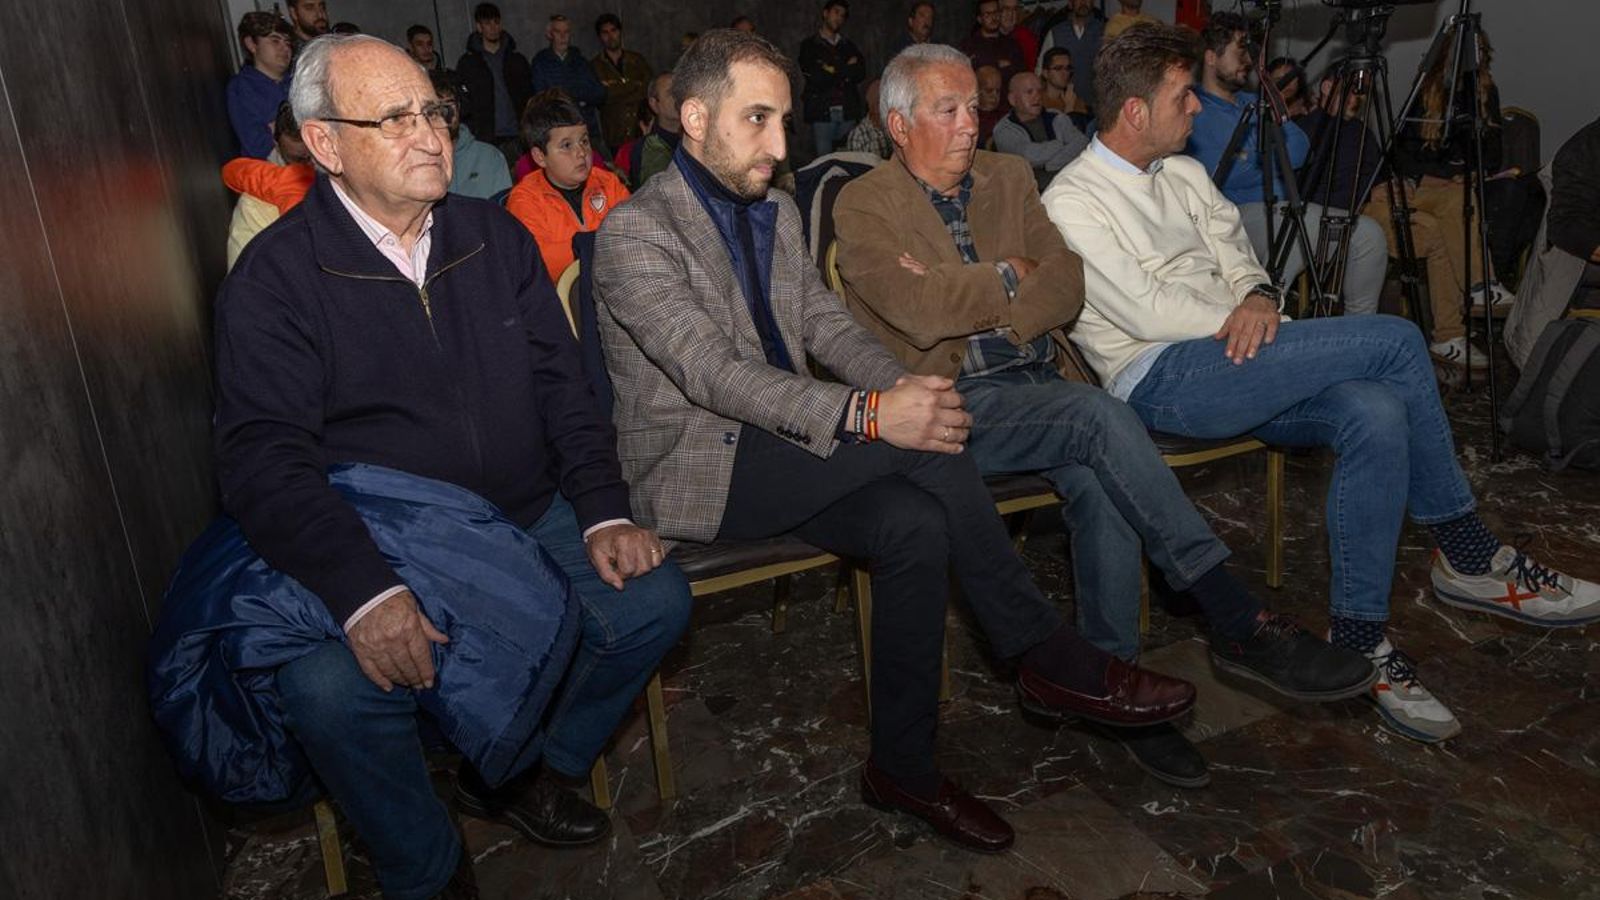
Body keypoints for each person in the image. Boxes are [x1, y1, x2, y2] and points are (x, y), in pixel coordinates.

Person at [594, 28, 1197, 851]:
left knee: (914, 524)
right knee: (920, 445)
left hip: (792, 449)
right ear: (693, 118)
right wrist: (874, 417)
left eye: (785, 120)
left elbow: (822, 321)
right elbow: (711, 376)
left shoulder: (771, 208)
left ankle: (902, 769)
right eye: (758, 120)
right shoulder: (637, 231)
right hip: (704, 463)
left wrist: (897, 386)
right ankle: (1039, 650)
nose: (781, 145)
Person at [214, 34, 691, 898]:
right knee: (328, 691)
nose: (431, 135)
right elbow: (263, 460)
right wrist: (362, 590)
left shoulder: (491, 236)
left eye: (433, 110)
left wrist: (602, 509)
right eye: (394, 119)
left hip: (520, 508)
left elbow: (564, 390)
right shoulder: (275, 278)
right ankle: (424, 864)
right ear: (324, 144)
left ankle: (518, 770)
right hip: (381, 541)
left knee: (654, 602)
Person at [834, 43, 1375, 787]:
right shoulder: (864, 203)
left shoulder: (1010, 175)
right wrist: (1005, 276)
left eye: (972, 106)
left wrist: (987, 289)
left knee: (1099, 477)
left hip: (1040, 388)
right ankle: (1234, 618)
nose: (970, 123)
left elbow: (1067, 288)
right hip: (951, 410)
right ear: (898, 124)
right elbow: (920, 315)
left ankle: (1115, 689)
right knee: (1097, 421)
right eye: (948, 110)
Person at [1044, 23, 1600, 746]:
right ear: (1135, 112)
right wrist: (1245, 315)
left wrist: (1261, 297)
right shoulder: (1072, 198)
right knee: (1399, 341)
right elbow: (1147, 311)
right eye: (1184, 97)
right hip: (1161, 378)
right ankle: (1467, 553)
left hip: (1236, 357)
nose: (1196, 111)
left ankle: (1363, 636)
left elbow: (1241, 257)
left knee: (1373, 410)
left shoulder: (1182, 173)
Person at [1185, 12, 1387, 317]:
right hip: (1234, 214)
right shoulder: (1194, 109)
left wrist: (1250, 155)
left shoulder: (1258, 101)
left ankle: (1359, 329)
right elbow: (1225, 175)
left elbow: (1299, 149)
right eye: (1240, 51)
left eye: (1251, 52)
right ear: (1211, 58)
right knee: (1290, 237)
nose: (1249, 61)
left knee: (1368, 234)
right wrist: (1266, 154)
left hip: (1286, 209)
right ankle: (1263, 323)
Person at [1297, 70, 1482, 367]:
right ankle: (1451, 328)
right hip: (1343, 215)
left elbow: (1382, 175)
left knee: (1448, 210)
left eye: (1363, 92)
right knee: (1426, 227)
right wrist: (1372, 195)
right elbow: (1303, 191)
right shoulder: (1307, 130)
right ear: (1328, 86)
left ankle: (1464, 311)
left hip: (1381, 207)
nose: (1358, 98)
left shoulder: (1362, 132)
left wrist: (1400, 186)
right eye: (1354, 90)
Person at [1393, 24, 1518, 311]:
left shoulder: (1486, 92)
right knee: (1456, 203)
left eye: (1482, 52)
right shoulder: (1427, 89)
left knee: (1500, 197)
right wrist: (1442, 178)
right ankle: (1479, 285)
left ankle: (1455, 328)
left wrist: (1471, 174)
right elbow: (1400, 152)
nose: (1478, 58)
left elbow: (1492, 152)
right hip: (1427, 184)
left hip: (1464, 184)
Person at [508, 91, 630, 282]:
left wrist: (583, 247)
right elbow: (543, 262)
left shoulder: (608, 183)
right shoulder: (525, 199)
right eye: (566, 145)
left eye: (584, 141)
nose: (581, 152)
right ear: (540, 157)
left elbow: (635, 236)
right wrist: (600, 243)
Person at [224, 102, 313, 268]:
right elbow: (245, 282)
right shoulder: (255, 203)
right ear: (276, 143)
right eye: (298, 159)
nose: (309, 166)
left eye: (315, 157)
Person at [455, 2, 532, 166]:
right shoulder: (468, 63)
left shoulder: (517, 60)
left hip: (518, 135)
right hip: (486, 138)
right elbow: (463, 101)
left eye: (496, 22)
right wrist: (474, 130)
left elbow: (530, 96)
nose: (493, 27)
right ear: (479, 26)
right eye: (488, 23)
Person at [992, 71, 1088, 190]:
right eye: (1029, 92)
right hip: (1029, 195)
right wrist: (1060, 144)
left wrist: (1051, 164)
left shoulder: (1056, 117)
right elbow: (1028, 156)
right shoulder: (1004, 129)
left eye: (1039, 91)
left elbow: (1082, 144)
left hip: (1069, 186)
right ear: (1012, 99)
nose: (1037, 96)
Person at [799, 0, 867, 159]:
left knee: (848, 162)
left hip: (847, 111)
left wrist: (830, 68)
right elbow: (816, 77)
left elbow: (860, 72)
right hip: (822, 111)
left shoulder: (848, 45)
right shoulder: (809, 45)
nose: (839, 18)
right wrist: (845, 68)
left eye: (842, 15)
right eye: (836, 12)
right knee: (824, 164)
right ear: (825, 13)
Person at [532, 15, 609, 155]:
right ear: (549, 34)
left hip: (588, 131)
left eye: (566, 32)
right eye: (558, 32)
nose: (563, 36)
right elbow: (544, 100)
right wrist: (581, 99)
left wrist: (566, 93)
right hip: (559, 133)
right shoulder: (541, 62)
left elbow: (600, 94)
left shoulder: (580, 61)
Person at [432, 71, 512, 200]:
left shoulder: (490, 157)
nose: (444, 114)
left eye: (448, 106)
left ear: (458, 107)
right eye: (436, 108)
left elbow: (501, 213)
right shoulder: (417, 162)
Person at [227, 12, 294, 159]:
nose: (285, 48)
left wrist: (276, 129)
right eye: (275, 41)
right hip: (274, 171)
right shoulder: (242, 88)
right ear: (251, 44)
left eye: (288, 43)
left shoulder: (299, 81)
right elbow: (257, 146)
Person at [591, 13, 652, 153]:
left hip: (640, 128)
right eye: (605, 32)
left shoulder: (637, 61)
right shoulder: (594, 66)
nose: (610, 36)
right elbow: (602, 97)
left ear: (620, 32)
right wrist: (633, 86)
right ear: (600, 36)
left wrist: (615, 90)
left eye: (613, 30)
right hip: (614, 133)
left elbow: (649, 90)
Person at [613, 73, 682, 188]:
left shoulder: (697, 138)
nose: (678, 98)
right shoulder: (649, 149)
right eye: (671, 93)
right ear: (654, 104)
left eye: (681, 91)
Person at [1038, 0, 1102, 112]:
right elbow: (1040, 70)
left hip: (1097, 107)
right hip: (1061, 107)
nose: (1084, 2)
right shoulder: (1055, 32)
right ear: (1070, 3)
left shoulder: (1105, 31)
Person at [960, 0, 1024, 82]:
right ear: (980, 19)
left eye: (996, 13)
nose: (993, 17)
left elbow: (1020, 74)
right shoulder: (968, 45)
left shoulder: (1012, 44)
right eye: (988, 14)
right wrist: (997, 65)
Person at [844, 79, 892, 159]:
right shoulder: (858, 135)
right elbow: (858, 168)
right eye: (877, 102)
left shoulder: (894, 126)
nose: (881, 106)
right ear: (869, 104)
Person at [1039, 47, 1088, 119]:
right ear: (1045, 73)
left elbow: (1080, 128)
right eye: (1058, 68)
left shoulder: (1075, 101)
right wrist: (1069, 108)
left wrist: (1070, 106)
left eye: (1068, 68)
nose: (1065, 73)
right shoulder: (1037, 100)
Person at [997, 0, 1039, 71]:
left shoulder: (1026, 37)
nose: (1010, 14)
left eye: (1015, 9)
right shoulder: (986, 35)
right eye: (1006, 9)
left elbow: (1032, 69)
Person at [975, 64, 1006, 149]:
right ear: (976, 89)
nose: (994, 96)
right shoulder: (969, 118)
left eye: (998, 91)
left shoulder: (1005, 116)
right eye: (989, 91)